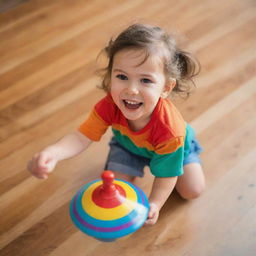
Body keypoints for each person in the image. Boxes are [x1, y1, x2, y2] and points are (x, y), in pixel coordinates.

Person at [28, 23, 205, 225]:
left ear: (166, 87)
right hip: (128, 147)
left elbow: (166, 175)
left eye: (145, 80)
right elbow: (80, 137)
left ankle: (189, 163)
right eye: (122, 77)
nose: (131, 90)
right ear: (110, 75)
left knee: (192, 191)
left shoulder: (171, 131)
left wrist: (155, 203)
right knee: (117, 190)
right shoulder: (108, 106)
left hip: (175, 150)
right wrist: (53, 153)